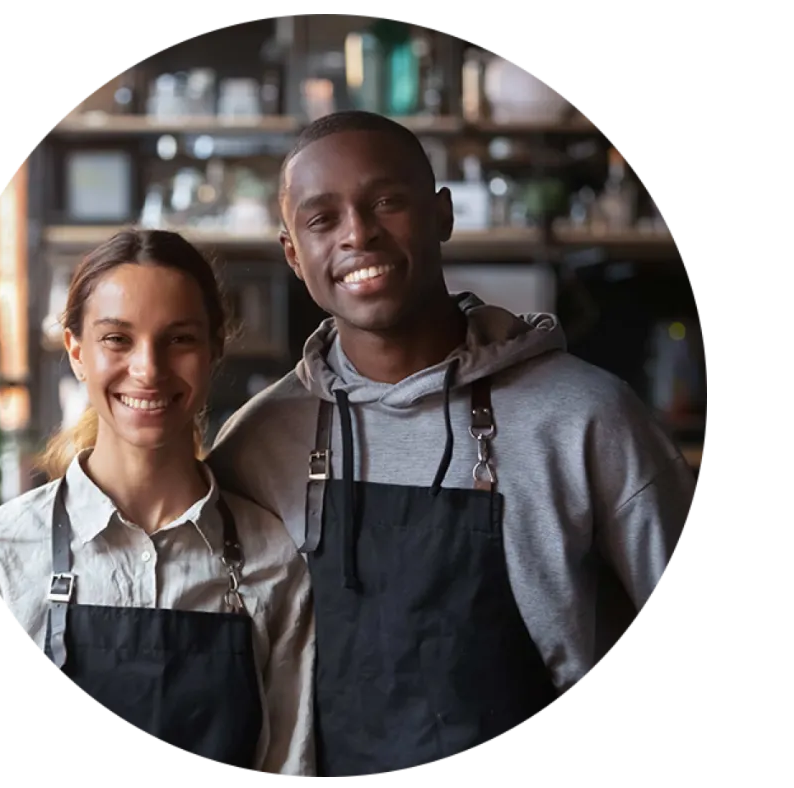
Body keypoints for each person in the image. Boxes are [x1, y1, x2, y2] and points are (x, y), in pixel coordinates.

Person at [206, 111, 696, 782]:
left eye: (387, 201)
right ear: (293, 254)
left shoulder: (587, 419)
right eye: (323, 220)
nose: (359, 233)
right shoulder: (259, 444)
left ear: (441, 215)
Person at [0, 229, 316, 782]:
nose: (148, 369)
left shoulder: (274, 560)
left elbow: (290, 766)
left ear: (214, 350)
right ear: (77, 352)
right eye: (117, 339)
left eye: (178, 339)